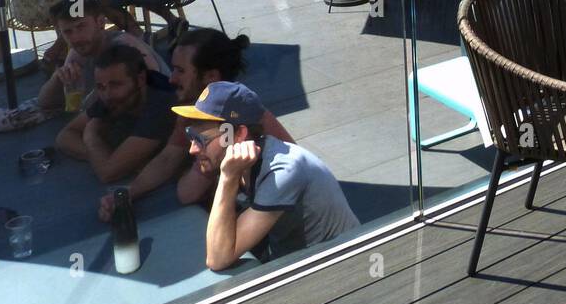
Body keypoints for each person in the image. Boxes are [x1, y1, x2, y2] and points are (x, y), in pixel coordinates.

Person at [96, 29, 293, 219]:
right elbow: (168, 159)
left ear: (211, 77)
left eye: (180, 71)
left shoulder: (242, 116)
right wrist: (127, 194)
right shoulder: (193, 110)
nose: (172, 78)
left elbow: (188, 192)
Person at [174, 82, 360, 269]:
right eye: (191, 135)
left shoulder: (282, 172)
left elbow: (218, 258)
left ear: (238, 135)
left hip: (336, 265)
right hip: (292, 258)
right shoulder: (246, 160)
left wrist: (227, 177)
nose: (192, 149)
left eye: (201, 139)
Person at [55, 44, 179, 183]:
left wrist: (91, 137)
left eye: (115, 85)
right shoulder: (114, 97)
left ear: (140, 79)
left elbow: (107, 173)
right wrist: (104, 157)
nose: (106, 95)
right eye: (100, 87)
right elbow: (65, 136)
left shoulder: (162, 104)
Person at [37, 0, 166, 113]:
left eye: (81, 27)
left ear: (100, 22)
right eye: (68, 32)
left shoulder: (124, 47)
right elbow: (45, 102)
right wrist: (58, 77)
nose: (75, 37)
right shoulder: (78, 52)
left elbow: (158, 95)